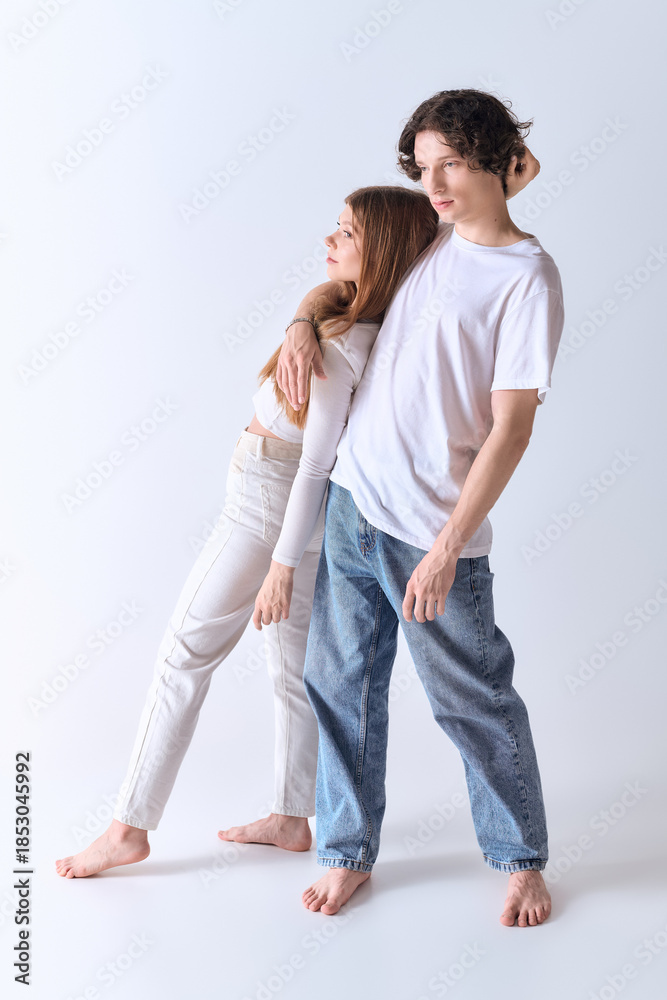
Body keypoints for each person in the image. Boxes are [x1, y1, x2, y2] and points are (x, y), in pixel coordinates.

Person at [54, 185, 439, 878]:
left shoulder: (339, 349)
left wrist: (281, 566)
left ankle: (127, 828)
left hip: (269, 505)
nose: (329, 241)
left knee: (183, 655)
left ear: (381, 251)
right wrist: (302, 319)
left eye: (347, 233)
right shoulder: (360, 323)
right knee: (292, 665)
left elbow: (315, 462)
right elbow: (332, 298)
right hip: (294, 505)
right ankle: (292, 816)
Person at [276, 89, 565, 927]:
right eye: (423, 166)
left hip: (431, 534)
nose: (432, 184)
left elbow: (512, 429)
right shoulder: (432, 237)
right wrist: (300, 322)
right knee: (338, 686)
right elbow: (345, 275)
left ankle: (519, 860)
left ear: (496, 162)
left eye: (452, 164)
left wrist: (445, 548)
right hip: (351, 503)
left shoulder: (528, 279)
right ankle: (344, 851)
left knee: (472, 701)